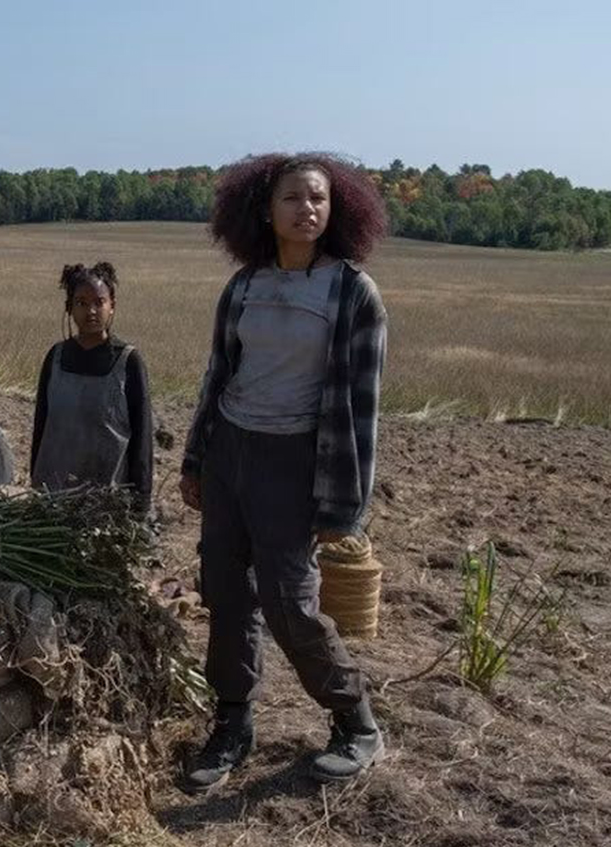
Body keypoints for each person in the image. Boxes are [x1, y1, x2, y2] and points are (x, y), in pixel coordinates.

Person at [176, 153, 390, 794]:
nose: (307, 209)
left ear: (336, 209)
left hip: (296, 461)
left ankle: (355, 722)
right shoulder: (244, 286)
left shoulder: (352, 292)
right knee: (225, 594)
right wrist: (195, 459)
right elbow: (219, 376)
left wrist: (344, 507)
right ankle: (233, 725)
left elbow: (362, 408)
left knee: (290, 603)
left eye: (318, 199)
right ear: (264, 211)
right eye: (293, 198)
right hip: (230, 454)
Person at [28, 261, 154, 514]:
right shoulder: (56, 357)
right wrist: (35, 485)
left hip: (106, 503)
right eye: (82, 303)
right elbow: (41, 426)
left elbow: (142, 438)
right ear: (69, 308)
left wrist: (140, 503)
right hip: (53, 498)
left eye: (99, 302)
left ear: (112, 307)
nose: (92, 311)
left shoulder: (128, 362)